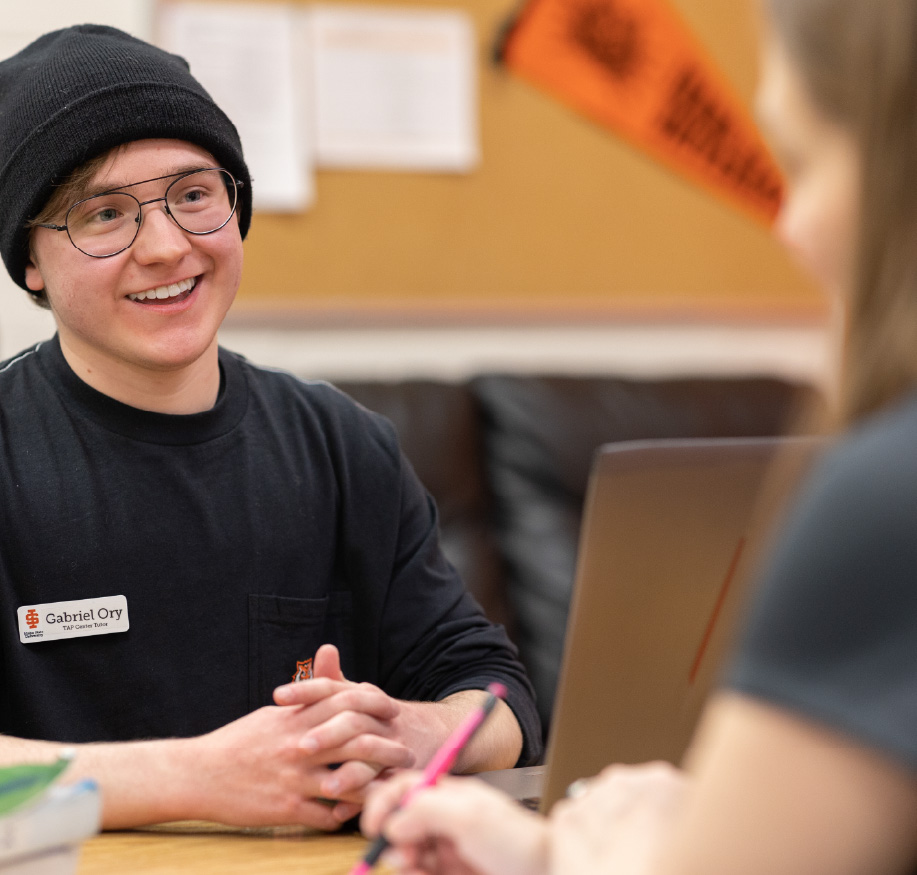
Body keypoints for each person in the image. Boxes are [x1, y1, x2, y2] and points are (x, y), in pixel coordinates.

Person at [361, 0, 917, 871]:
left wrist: (626, 847)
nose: (787, 223)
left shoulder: (883, 498)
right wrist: (549, 853)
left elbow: (491, 681)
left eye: (803, 161)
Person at [0, 24, 541, 831]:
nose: (166, 245)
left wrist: (412, 731)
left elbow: (500, 694)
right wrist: (195, 777)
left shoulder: (342, 444)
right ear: (32, 261)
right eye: (104, 214)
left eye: (193, 194)